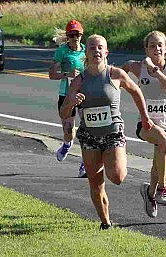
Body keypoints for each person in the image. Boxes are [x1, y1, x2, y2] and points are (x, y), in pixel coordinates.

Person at [60, 34, 154, 229]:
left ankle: (107, 161)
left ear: (106, 52)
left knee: (118, 177)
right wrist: (71, 102)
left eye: (100, 47)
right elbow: (64, 113)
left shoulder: (115, 74)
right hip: (89, 136)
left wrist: (145, 117)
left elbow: (136, 92)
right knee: (95, 184)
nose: (97, 51)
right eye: (92, 48)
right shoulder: (79, 80)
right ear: (86, 53)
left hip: (113, 133)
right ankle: (106, 223)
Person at [121, 31, 166, 218]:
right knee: (163, 142)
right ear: (146, 49)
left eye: (160, 45)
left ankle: (150, 194)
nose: (157, 49)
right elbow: (125, 68)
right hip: (146, 123)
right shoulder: (139, 67)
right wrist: (116, 85)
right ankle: (163, 189)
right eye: (152, 46)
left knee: (158, 163)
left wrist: (156, 72)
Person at [48, 20, 87, 178]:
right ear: (67, 36)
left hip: (84, 95)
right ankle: (67, 144)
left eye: (77, 34)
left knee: (87, 130)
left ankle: (84, 165)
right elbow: (51, 74)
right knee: (69, 130)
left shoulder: (87, 51)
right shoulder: (62, 52)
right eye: (71, 35)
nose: (74, 37)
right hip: (67, 95)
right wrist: (67, 74)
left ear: (81, 35)